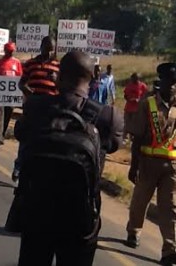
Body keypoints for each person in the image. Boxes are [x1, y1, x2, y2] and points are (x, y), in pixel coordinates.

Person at [14, 50, 123, 266]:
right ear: (93, 79)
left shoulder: (36, 107)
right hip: (80, 217)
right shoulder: (107, 117)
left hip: (36, 210)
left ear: (60, 75)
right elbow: (112, 146)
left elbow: (21, 134)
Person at [125, 63, 176, 265]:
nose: (172, 86)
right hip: (147, 162)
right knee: (140, 201)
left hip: (171, 167)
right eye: (169, 82)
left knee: (169, 207)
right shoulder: (148, 104)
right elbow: (137, 137)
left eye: (175, 83)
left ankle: (170, 249)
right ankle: (134, 230)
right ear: (160, 82)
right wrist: (133, 165)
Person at [13, 36, 60, 181]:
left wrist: (55, 80)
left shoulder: (59, 67)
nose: (49, 52)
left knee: (46, 141)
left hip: (49, 110)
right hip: (32, 107)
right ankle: (19, 166)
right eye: (47, 48)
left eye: (52, 50)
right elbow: (21, 83)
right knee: (26, 138)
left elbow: (63, 89)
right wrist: (28, 91)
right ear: (41, 47)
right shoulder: (30, 63)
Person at [0, 42, 23, 147]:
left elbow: (20, 77)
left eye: (12, 51)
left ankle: (2, 135)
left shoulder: (17, 63)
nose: (11, 53)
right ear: (5, 51)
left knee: (8, 113)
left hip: (11, 94)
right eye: (9, 51)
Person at [123, 72, 148, 136]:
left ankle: (133, 137)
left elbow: (146, 96)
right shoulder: (129, 86)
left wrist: (139, 100)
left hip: (138, 109)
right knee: (126, 123)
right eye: (132, 79)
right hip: (128, 108)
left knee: (135, 125)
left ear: (138, 79)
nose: (133, 80)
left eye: (135, 79)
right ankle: (125, 137)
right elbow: (125, 96)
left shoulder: (143, 86)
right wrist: (129, 99)